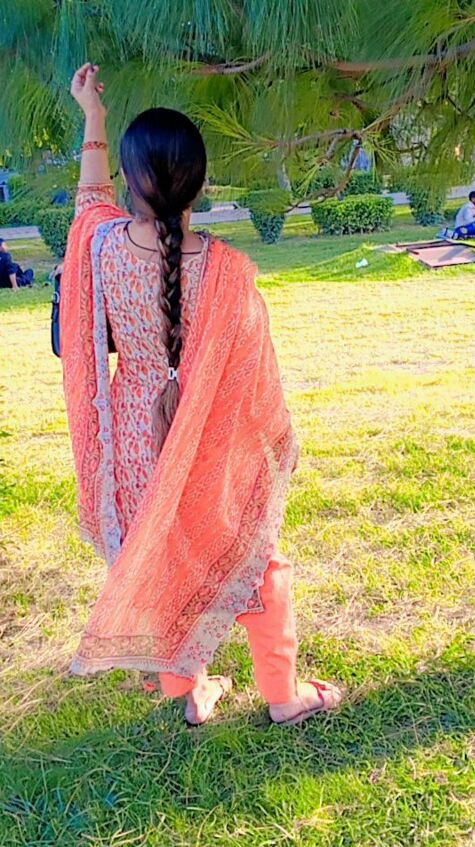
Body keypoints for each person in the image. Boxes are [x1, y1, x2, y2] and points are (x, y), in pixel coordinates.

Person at [62, 63, 342, 727]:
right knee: (256, 563)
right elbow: (255, 383)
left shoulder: (100, 248)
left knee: (165, 565)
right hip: (209, 445)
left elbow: (88, 202)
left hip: (135, 443)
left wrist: (93, 116)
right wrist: (273, 440)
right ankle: (284, 695)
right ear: (202, 184)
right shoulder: (228, 271)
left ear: (130, 181)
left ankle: (190, 693)